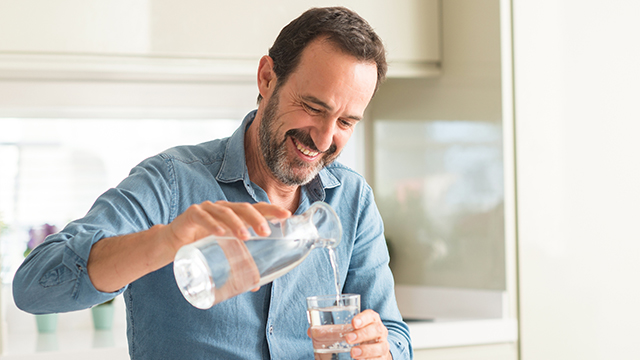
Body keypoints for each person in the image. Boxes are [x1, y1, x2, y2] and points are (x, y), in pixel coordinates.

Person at [13, 6, 412, 360]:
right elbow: (34, 286)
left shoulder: (352, 199)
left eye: (345, 123)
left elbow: (395, 337)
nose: (324, 140)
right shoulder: (171, 182)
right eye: (312, 107)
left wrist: (380, 349)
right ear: (267, 78)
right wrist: (166, 240)